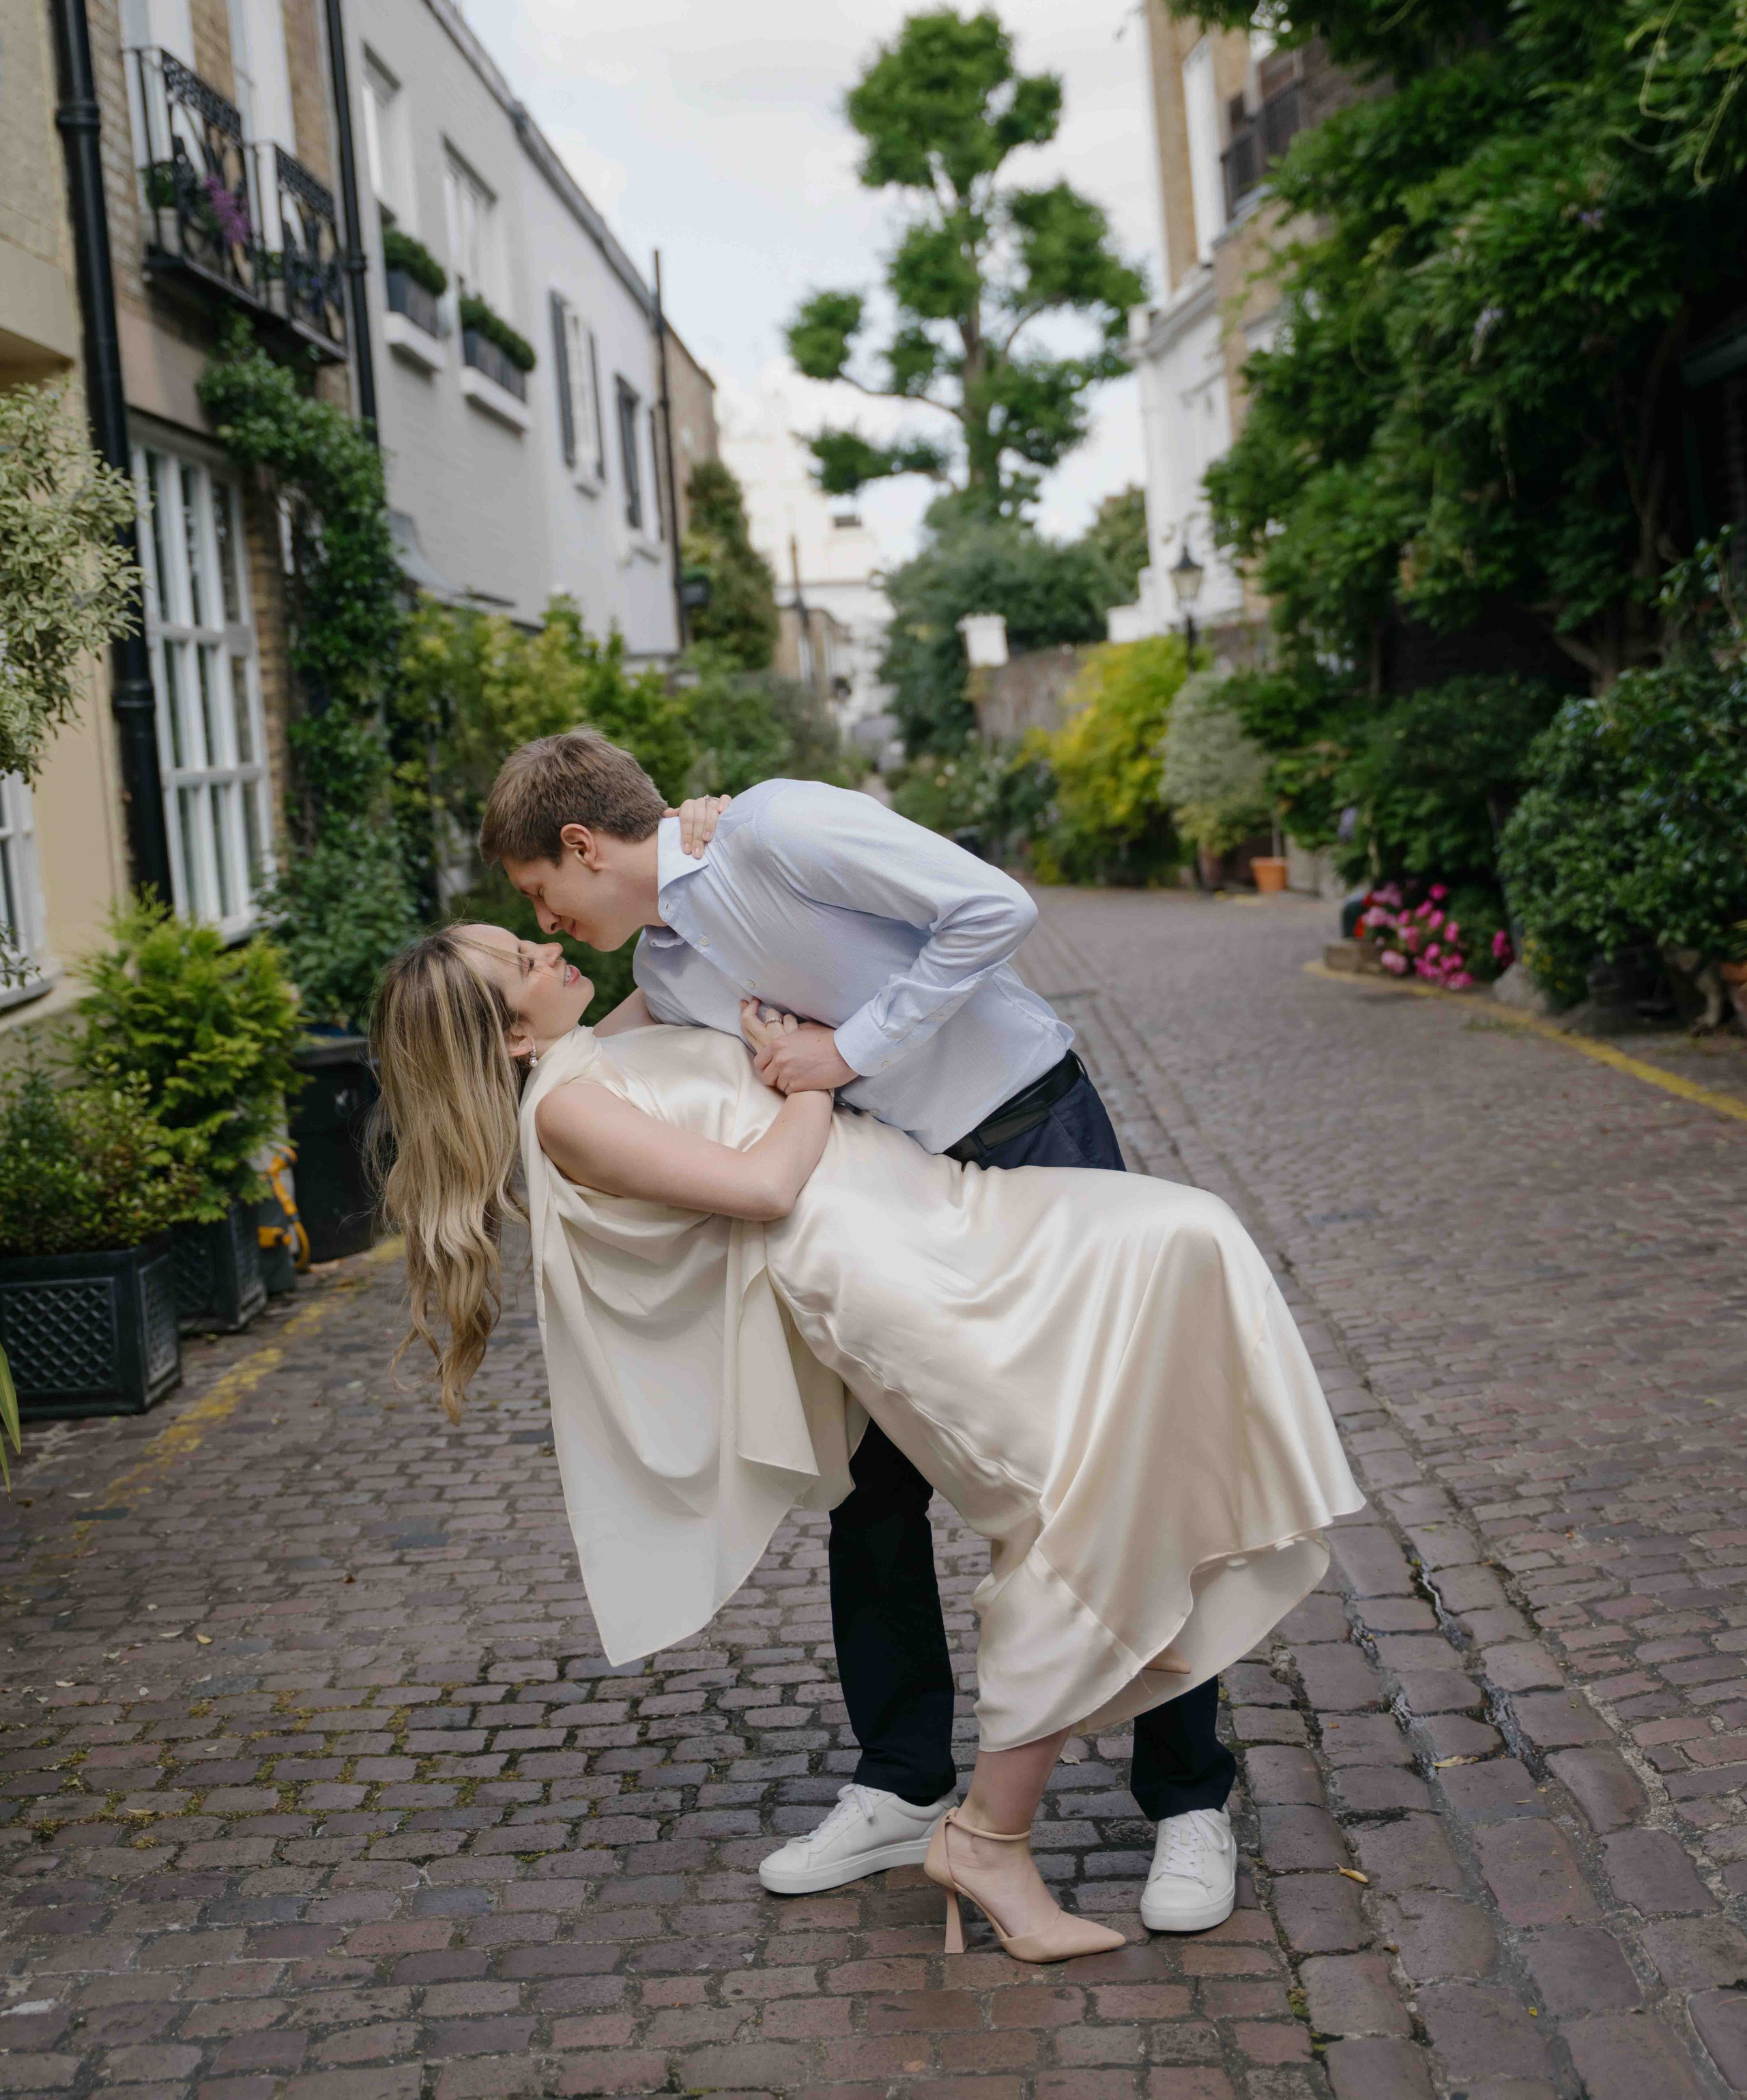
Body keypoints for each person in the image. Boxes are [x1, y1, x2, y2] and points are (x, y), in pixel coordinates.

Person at [372, 732, 1362, 1946]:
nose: (551, 927)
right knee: (872, 1502)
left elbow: (991, 908)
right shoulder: (667, 978)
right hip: (886, 1225)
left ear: (582, 848)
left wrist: (844, 1053)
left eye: (540, 900)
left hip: (1018, 1125)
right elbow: (576, 1079)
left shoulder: (774, 829)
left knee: (1132, 1429)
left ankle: (1185, 1797)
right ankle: (905, 1784)